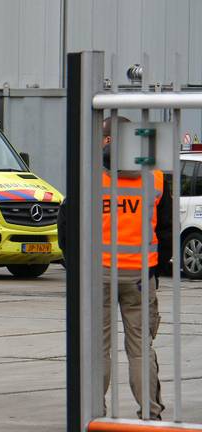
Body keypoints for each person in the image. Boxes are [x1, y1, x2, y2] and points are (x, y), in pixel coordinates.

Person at [58, 117, 171, 420]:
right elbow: (167, 231)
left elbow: (66, 225)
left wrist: (76, 267)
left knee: (99, 350)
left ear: (106, 141)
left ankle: (93, 413)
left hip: (99, 275)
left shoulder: (89, 178)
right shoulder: (156, 178)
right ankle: (150, 414)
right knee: (140, 350)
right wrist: (154, 266)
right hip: (139, 278)